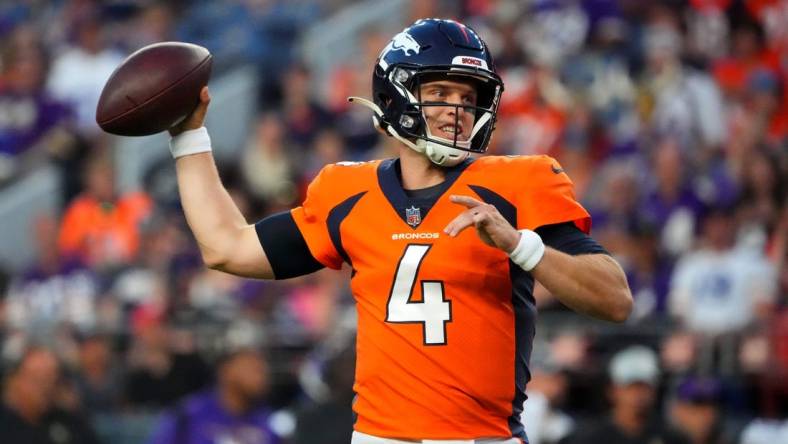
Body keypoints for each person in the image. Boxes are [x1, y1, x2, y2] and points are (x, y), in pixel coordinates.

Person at [166, 18, 632, 443]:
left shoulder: (520, 181)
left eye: (469, 99)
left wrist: (521, 246)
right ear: (397, 96)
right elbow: (226, 247)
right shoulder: (346, 190)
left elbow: (614, 300)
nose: (457, 110)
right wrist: (188, 137)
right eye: (442, 93)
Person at [147, 344, 280, 444]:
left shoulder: (267, 421)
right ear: (226, 371)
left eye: (263, 371)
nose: (261, 378)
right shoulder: (188, 415)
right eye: (253, 370)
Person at [567, 346, 689, 444]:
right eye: (630, 387)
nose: (638, 394)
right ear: (613, 391)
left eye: (645, 386)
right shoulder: (588, 438)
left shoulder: (671, 437)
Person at [0, 346, 100, 444]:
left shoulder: (70, 422)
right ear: (13, 381)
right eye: (37, 380)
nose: (45, 388)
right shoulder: (5, 426)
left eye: (52, 380)